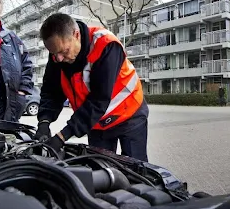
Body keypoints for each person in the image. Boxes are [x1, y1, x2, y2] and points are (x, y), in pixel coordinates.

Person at [35, 13, 149, 162]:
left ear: (76, 35)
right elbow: (52, 90)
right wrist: (44, 121)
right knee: (101, 169)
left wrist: (63, 136)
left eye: (63, 51)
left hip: (129, 115)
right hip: (96, 123)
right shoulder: (58, 52)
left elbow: (99, 99)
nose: (58, 59)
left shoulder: (106, 45)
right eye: (54, 54)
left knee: (136, 170)